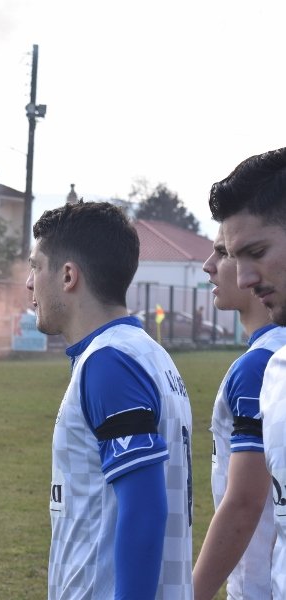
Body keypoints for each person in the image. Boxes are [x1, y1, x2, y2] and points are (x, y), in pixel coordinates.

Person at [26, 201, 193, 598]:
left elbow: (145, 511)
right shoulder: (149, 354)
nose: (30, 283)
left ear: (68, 276)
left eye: (36, 266)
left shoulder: (109, 364)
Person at [208, 146, 286, 598]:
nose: (244, 277)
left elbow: (243, 503)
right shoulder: (276, 370)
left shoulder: (260, 367)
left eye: (256, 252)